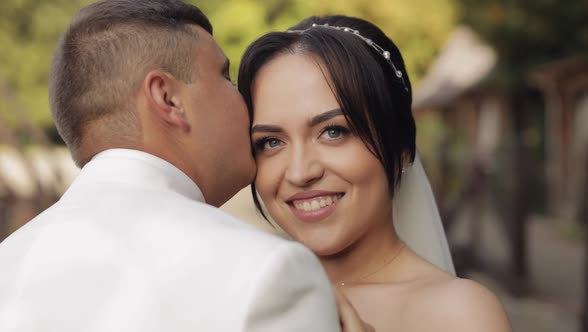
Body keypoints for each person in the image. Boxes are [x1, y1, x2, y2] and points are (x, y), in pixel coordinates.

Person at [0, 2, 353, 331]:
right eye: (225, 76)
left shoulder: (7, 266)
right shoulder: (267, 271)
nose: (243, 100)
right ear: (168, 99)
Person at [238, 15, 512, 331]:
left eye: (333, 132)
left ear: (401, 149)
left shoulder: (460, 313)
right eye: (271, 141)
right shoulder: (244, 298)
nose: (300, 172)